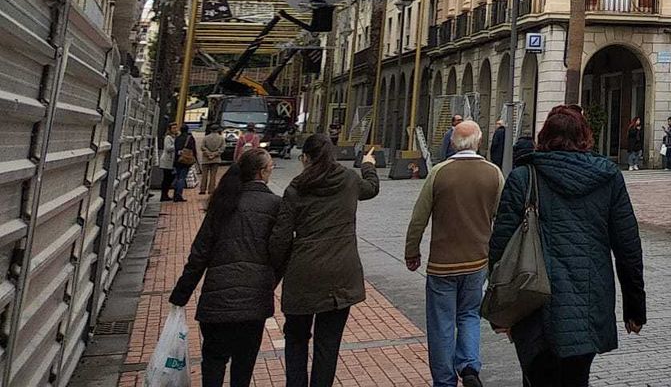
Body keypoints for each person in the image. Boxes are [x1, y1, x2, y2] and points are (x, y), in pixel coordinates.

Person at [490, 104, 645, 386]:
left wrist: (503, 312)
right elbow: (628, 248)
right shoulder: (608, 177)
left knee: (537, 376)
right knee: (576, 378)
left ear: (544, 136)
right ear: (585, 136)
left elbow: (500, 247)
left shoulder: (523, 177)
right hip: (588, 302)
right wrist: (635, 309)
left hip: (531, 301)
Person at [270, 134, 380, 387]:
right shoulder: (349, 180)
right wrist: (368, 165)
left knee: (296, 338)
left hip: (304, 273)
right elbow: (371, 189)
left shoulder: (296, 188)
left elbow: (281, 237)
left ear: (305, 158)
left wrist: (273, 271)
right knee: (328, 343)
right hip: (342, 273)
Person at [169, 147, 282, 387]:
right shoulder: (275, 205)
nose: (272, 169)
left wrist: (181, 294)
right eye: (270, 166)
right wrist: (269, 281)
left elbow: (199, 253)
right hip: (253, 301)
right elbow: (281, 253)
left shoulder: (222, 202)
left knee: (213, 360)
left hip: (216, 300)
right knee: (244, 363)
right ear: (262, 173)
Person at [406, 120, 504, 387]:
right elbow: (503, 216)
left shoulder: (439, 173)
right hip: (477, 260)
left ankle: (445, 380)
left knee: (442, 324)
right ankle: (470, 366)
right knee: (469, 314)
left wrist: (411, 250)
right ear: (479, 142)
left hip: (442, 263)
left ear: (451, 142)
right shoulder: (493, 173)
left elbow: (419, 218)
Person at [199, 124, 227, 196]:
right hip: (216, 159)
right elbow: (222, 148)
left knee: (204, 175)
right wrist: (215, 154)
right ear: (218, 130)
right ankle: (211, 190)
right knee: (213, 175)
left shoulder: (206, 138)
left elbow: (202, 147)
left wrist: (208, 154)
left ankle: (202, 189)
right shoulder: (221, 138)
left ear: (210, 130)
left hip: (206, 159)